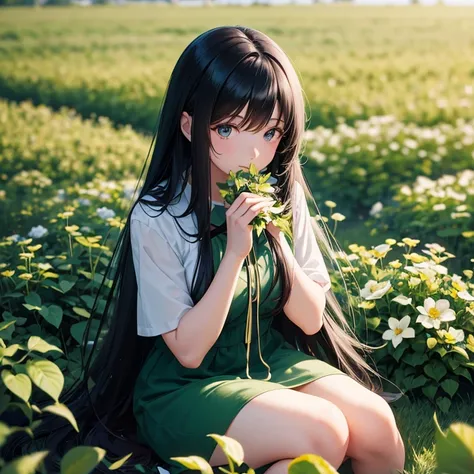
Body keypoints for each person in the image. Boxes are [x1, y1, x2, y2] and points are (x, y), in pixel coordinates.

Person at [2, 26, 405, 474]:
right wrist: (234, 253)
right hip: (184, 385)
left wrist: (275, 237)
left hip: (266, 362)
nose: (254, 152)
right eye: (230, 128)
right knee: (322, 433)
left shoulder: (281, 197)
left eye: (270, 133)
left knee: (378, 428)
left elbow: (310, 319)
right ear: (190, 125)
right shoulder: (159, 217)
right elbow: (189, 351)